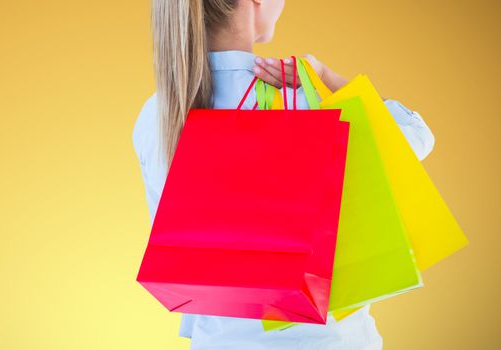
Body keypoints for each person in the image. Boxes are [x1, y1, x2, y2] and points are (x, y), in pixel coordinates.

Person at [132, 1, 435, 349]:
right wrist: (325, 78)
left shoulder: (158, 114)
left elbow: (186, 263)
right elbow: (415, 134)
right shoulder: (302, 99)